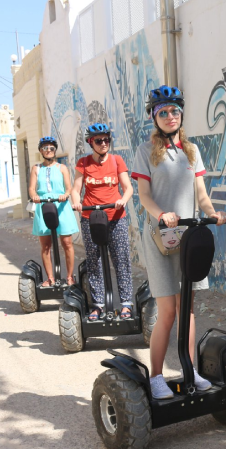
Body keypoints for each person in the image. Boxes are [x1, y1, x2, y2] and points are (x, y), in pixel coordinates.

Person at [131, 86, 226, 400]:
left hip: (188, 238)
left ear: (181, 114)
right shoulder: (144, 152)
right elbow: (144, 197)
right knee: (168, 311)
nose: (170, 117)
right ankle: (157, 376)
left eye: (174, 111)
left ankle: (191, 372)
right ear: (153, 117)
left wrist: (213, 213)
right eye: (163, 112)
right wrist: (163, 214)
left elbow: (201, 194)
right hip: (160, 238)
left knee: (187, 310)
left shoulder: (192, 150)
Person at [70, 123, 135, 321]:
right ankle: (97, 304)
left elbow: (128, 187)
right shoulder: (83, 163)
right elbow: (76, 188)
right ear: (91, 142)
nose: (104, 143)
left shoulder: (117, 161)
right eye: (99, 140)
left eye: (106, 139)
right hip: (91, 217)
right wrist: (76, 202)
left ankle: (126, 304)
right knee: (94, 261)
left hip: (116, 218)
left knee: (121, 259)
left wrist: (123, 200)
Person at [28, 136, 78, 285]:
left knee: (67, 242)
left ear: (55, 150)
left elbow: (69, 188)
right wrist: (35, 196)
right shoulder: (36, 168)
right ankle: (50, 278)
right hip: (43, 205)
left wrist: (65, 195)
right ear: (40, 151)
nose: (48, 151)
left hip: (61, 206)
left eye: (51, 148)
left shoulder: (62, 168)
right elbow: (31, 188)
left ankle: (69, 276)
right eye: (45, 148)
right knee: (46, 245)